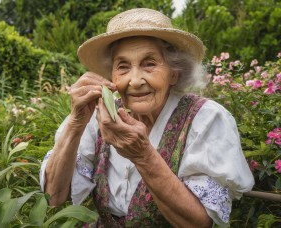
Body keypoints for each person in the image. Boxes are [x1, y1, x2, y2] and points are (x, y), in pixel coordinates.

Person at [40, 8, 254, 227]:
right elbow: (54, 198)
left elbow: (198, 224)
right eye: (123, 67)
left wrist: (143, 155)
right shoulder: (99, 116)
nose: (134, 80)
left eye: (149, 64)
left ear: (174, 73)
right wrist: (76, 123)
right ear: (111, 76)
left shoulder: (206, 119)